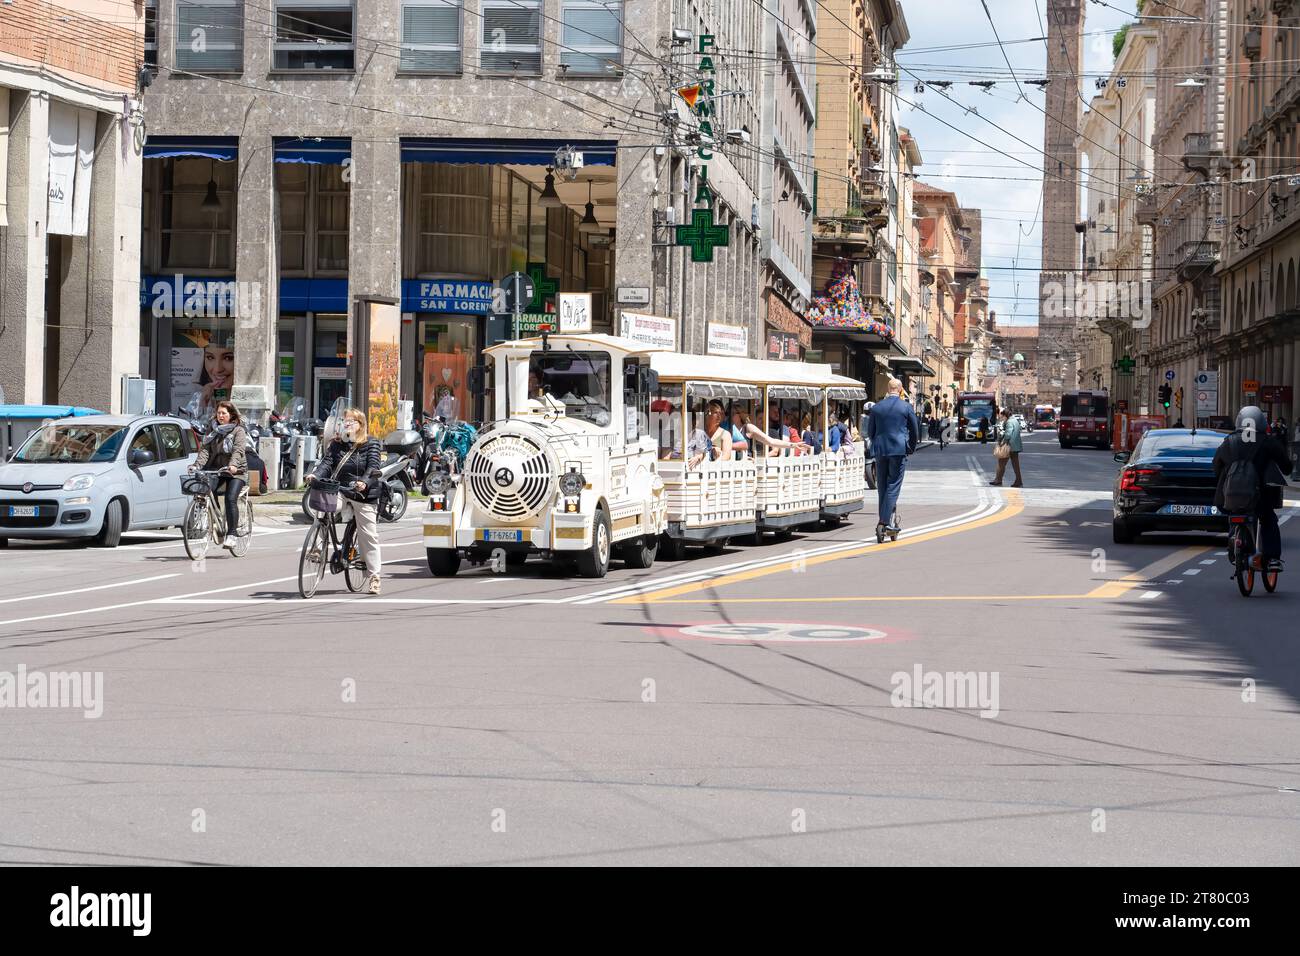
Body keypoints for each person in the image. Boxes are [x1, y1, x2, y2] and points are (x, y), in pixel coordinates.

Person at [308, 408, 384, 594]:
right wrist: (315, 475)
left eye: (352, 421)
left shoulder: (371, 443)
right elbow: (327, 464)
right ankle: (318, 548)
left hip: (363, 494)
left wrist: (364, 483)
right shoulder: (337, 444)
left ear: (361, 425)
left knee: (368, 534)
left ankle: (374, 577)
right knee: (324, 508)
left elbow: (373, 466)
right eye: (345, 421)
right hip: (341, 489)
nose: (347, 424)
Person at [1213, 405, 1291, 571]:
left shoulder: (1229, 441)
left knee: (1235, 514)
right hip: (1259, 495)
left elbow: (1216, 466)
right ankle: (1272, 559)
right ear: (1262, 423)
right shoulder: (1267, 441)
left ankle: (1235, 544)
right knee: (1268, 520)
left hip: (1231, 495)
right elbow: (1286, 467)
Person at [189, 400, 248, 550]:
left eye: (224, 413)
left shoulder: (238, 430)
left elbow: (238, 450)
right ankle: (215, 524)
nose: (220, 416)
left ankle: (232, 534)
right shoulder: (212, 429)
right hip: (216, 469)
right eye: (218, 413)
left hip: (236, 471)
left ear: (231, 415)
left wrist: (233, 465)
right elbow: (205, 450)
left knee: (230, 499)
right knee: (207, 491)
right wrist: (197, 465)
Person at [866, 377, 920, 535]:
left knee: (882, 485)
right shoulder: (906, 406)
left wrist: (877, 443)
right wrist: (910, 447)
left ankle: (884, 520)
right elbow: (914, 429)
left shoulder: (877, 407)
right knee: (893, 486)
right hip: (898, 450)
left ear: (888, 389)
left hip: (881, 451)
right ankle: (883, 521)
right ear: (901, 389)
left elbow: (871, 431)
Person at [734, 409, 810, 456]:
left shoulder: (749, 427)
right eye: (760, 418)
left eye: (764, 418)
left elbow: (772, 441)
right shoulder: (732, 428)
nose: (763, 421)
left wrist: (793, 445)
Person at [687, 400, 733, 469]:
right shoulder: (698, 432)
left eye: (720, 413)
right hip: (695, 468)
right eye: (715, 412)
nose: (719, 416)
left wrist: (712, 463)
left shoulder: (725, 435)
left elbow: (726, 457)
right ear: (707, 414)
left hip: (714, 471)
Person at [989, 407, 1024, 487]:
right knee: (1015, 465)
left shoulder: (1009, 422)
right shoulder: (1015, 420)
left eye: (1003, 415)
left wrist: (1002, 443)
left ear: (1005, 415)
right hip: (1015, 446)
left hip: (1009, 446)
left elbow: (1008, 434)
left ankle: (998, 480)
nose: (1002, 417)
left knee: (1001, 462)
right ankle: (1018, 481)